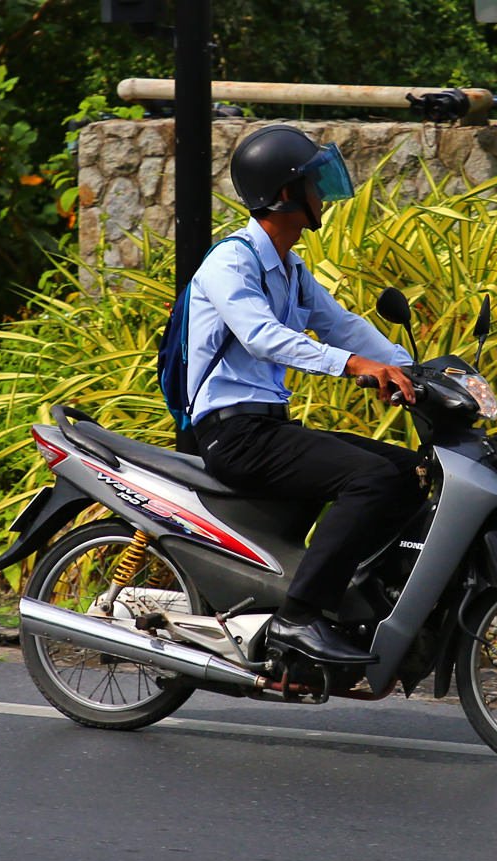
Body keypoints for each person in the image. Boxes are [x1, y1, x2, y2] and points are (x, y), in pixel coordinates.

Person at [186, 124, 424, 666]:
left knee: (410, 472)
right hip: (233, 432)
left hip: (268, 427)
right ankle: (299, 618)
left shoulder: (290, 269)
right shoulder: (232, 262)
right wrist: (354, 366)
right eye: (314, 183)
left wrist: (417, 371)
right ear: (285, 194)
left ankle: (359, 602)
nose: (324, 194)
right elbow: (262, 337)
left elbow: (341, 325)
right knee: (370, 478)